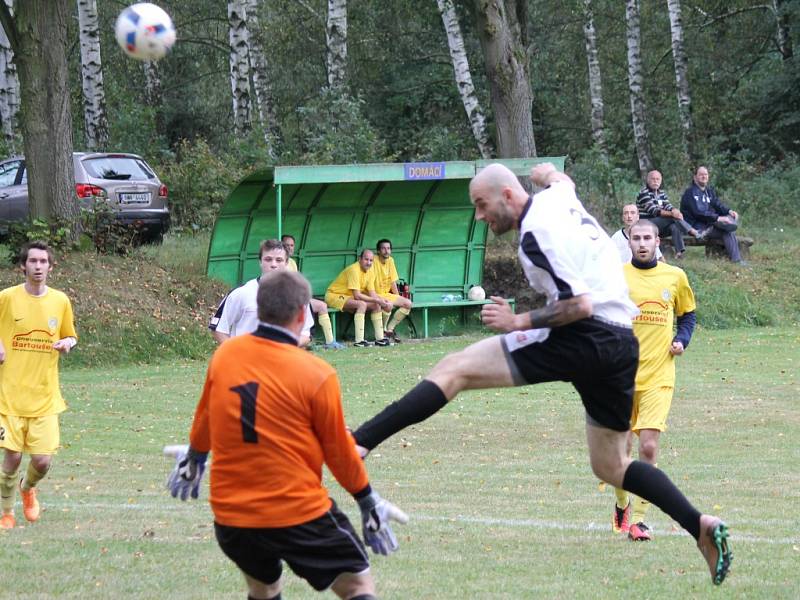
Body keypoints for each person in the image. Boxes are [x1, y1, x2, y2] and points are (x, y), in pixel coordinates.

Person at [351, 163, 732, 585]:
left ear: (508, 196)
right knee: (610, 465)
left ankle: (359, 443)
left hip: (586, 334)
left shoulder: (535, 235)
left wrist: (519, 322)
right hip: (624, 342)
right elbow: (561, 180)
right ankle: (699, 525)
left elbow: (580, 305)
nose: (480, 216)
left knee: (454, 369)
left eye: (482, 205)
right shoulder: (557, 197)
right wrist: (547, 172)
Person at [168, 270, 407, 600]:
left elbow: (207, 414)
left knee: (263, 587)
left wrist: (195, 457)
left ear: (260, 308)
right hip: (296, 511)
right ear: (301, 315)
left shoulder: (225, 356)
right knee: (357, 585)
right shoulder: (316, 373)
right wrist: (367, 500)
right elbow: (339, 452)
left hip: (233, 517)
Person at [611, 219, 697, 542]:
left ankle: (642, 521)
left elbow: (688, 315)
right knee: (621, 450)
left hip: (660, 375)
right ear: (629, 242)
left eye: (648, 237)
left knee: (647, 446)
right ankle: (622, 503)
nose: (643, 243)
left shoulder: (674, 277)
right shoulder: (617, 276)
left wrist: (682, 340)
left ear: (657, 240)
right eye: (637, 238)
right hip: (621, 378)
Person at [0, 241, 77, 529]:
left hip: (45, 396)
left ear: (50, 267)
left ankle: (28, 487)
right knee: (12, 455)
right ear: (23, 266)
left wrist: (67, 343)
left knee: (42, 461)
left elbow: (71, 335)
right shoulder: (6, 298)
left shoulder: (60, 301)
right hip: (9, 396)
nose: (38, 266)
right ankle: (6, 513)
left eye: (43, 262)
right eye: (32, 261)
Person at [209, 239, 314, 347]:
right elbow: (219, 328)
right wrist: (236, 353)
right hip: (247, 361)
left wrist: (284, 347)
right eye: (268, 259)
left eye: (279, 260)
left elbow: (306, 334)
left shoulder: (298, 295)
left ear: (287, 262)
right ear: (260, 261)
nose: (273, 264)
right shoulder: (241, 293)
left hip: (283, 360)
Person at [281, 234, 345, 349]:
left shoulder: (292, 262)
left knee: (322, 305)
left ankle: (330, 342)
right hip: (286, 299)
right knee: (312, 307)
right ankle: (305, 341)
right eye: (286, 245)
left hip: (296, 297)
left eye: (291, 245)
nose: (289, 248)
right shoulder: (280, 263)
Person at [325, 250, 391, 348]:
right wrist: (377, 300)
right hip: (334, 295)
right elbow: (357, 296)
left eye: (371, 260)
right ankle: (359, 341)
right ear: (359, 259)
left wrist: (383, 301)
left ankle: (380, 339)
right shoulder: (354, 269)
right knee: (362, 304)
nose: (368, 263)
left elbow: (372, 293)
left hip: (349, 298)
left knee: (376, 305)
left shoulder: (370, 271)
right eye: (366, 259)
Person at [680, 166, 745, 264]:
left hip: (709, 224)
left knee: (727, 228)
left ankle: (736, 259)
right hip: (697, 228)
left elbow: (717, 204)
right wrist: (718, 218)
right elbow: (699, 213)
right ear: (695, 177)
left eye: (705, 174)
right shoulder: (690, 193)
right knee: (726, 230)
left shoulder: (708, 191)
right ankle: (736, 260)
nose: (704, 176)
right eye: (701, 174)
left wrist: (729, 211)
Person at [636, 170, 699, 259]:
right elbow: (654, 211)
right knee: (672, 218)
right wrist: (673, 214)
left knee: (674, 226)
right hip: (646, 224)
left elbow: (668, 206)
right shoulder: (644, 193)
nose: (655, 181)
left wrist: (675, 211)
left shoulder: (661, 193)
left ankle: (679, 252)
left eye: (657, 179)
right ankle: (692, 231)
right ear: (648, 180)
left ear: (661, 181)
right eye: (653, 179)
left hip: (659, 226)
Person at [371, 239, 413, 343]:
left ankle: (390, 329)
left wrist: (398, 297)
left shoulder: (390, 260)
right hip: (374, 293)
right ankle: (383, 330)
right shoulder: (373, 261)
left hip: (386, 294)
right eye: (383, 248)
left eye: (388, 248)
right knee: (388, 305)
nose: (386, 251)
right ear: (378, 251)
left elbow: (393, 282)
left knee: (408, 303)